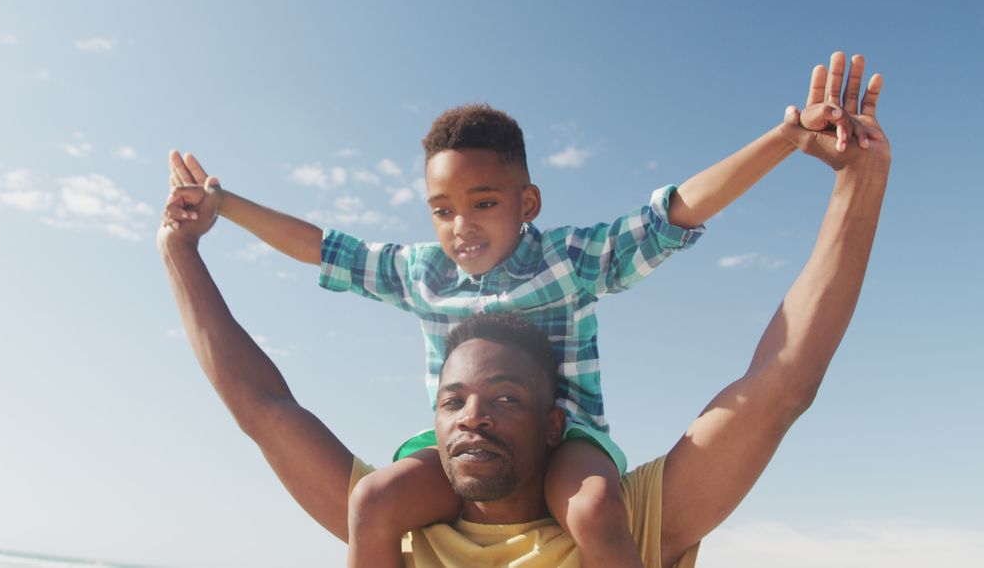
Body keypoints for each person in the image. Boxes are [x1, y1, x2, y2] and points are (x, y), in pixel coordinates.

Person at [158, 51, 890, 566]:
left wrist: (785, 139)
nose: (461, 226)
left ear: (526, 202)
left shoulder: (567, 261)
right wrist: (222, 207)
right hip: (455, 467)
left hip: (571, 444)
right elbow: (324, 251)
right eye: (441, 210)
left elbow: (672, 214)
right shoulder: (422, 272)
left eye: (483, 204)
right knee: (374, 500)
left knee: (597, 511)